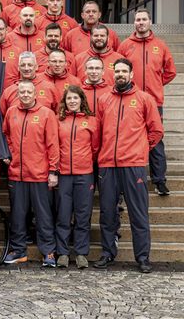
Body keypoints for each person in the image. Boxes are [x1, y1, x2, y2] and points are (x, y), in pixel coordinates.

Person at [93, 58, 164, 273]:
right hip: (108, 164)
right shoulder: (104, 100)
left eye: (124, 71)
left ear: (132, 75)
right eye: (118, 71)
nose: (120, 75)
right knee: (107, 213)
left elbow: (156, 131)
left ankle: (142, 257)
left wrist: (141, 149)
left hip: (133, 165)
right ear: (112, 74)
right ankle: (107, 253)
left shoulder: (144, 99)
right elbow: (98, 132)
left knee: (138, 213)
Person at [118, 8, 177, 196]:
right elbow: (118, 70)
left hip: (153, 101)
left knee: (156, 140)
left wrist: (157, 84)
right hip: (129, 100)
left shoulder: (161, 45)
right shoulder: (125, 45)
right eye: (137, 20)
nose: (141, 22)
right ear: (134, 23)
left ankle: (159, 181)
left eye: (144, 19)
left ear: (150, 22)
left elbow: (170, 71)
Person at [2, 80, 59, 267]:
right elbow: (6, 135)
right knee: (18, 216)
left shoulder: (46, 114)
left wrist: (53, 170)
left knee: (44, 216)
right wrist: (9, 153)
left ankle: (48, 252)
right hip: (16, 174)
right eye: (22, 92)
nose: (25, 94)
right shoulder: (11, 112)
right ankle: (19, 251)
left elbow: (53, 144)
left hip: (40, 174)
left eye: (28, 92)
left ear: (36, 94)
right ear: (18, 93)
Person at [55, 85, 99, 269]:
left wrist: (86, 162)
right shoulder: (58, 121)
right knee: (63, 215)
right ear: (64, 102)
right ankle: (63, 253)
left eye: (75, 98)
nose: (72, 101)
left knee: (83, 215)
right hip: (64, 175)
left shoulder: (91, 121)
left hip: (84, 174)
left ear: (82, 100)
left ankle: (81, 253)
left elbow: (95, 148)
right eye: (69, 98)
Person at [0, 51, 60, 115]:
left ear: (36, 67)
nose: (26, 68)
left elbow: (59, 113)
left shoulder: (50, 88)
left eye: (30, 65)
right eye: (23, 65)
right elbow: (4, 117)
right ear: (18, 68)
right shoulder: (9, 92)